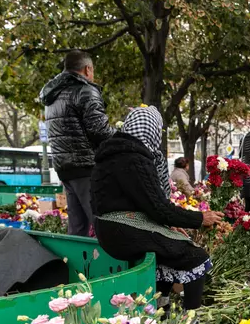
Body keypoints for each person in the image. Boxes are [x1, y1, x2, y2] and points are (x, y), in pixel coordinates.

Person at [91, 106, 224, 310]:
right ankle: (191, 320)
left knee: (167, 253)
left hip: (109, 230)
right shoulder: (134, 158)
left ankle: (161, 310)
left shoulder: (112, 154)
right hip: (123, 231)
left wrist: (165, 227)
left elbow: (144, 204)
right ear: (153, 129)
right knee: (197, 258)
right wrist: (199, 219)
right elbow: (159, 208)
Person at [40, 50, 115, 236]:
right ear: (87, 69)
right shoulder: (85, 90)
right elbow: (100, 131)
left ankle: (75, 265)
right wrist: (123, 134)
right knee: (104, 227)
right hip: (86, 167)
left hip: (64, 168)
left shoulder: (52, 96)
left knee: (77, 227)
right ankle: (107, 265)